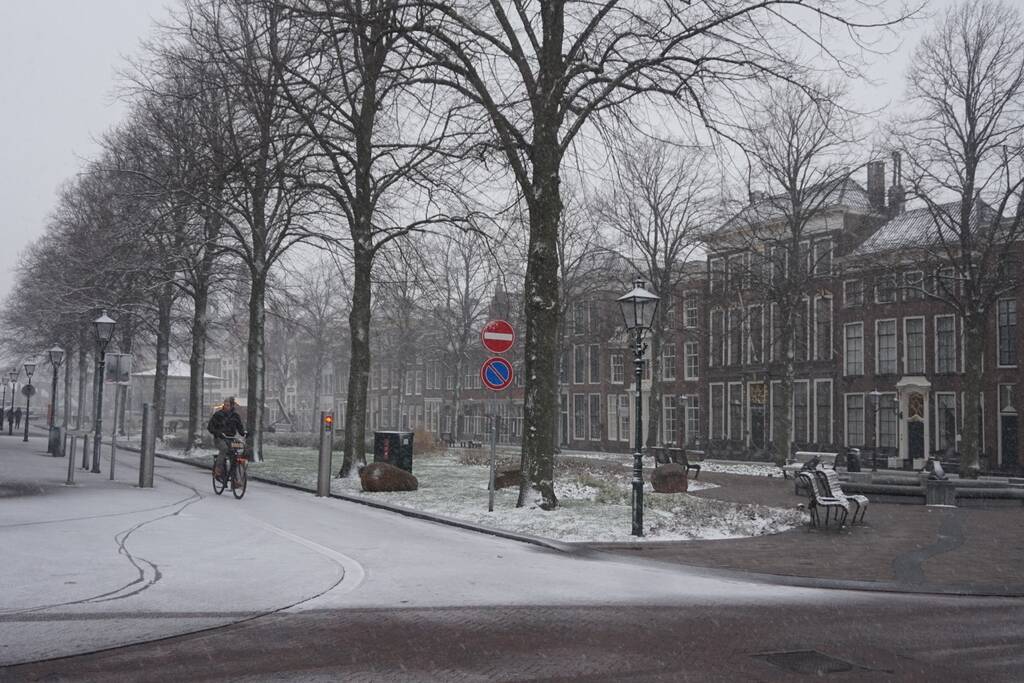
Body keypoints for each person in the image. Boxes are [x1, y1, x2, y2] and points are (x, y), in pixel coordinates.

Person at [208, 397, 246, 483]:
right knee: (224, 449)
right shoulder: (218, 415)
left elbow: (240, 429)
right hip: (219, 438)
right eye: (225, 405)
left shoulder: (236, 416)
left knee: (237, 453)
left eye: (228, 405)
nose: (226, 407)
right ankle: (218, 469)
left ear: (232, 406)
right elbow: (210, 427)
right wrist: (218, 433)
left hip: (231, 439)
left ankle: (235, 479)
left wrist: (244, 433)